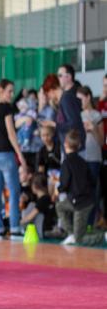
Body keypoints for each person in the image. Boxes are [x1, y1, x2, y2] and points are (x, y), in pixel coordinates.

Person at [0, 79, 27, 239]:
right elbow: (11, 134)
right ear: (1, 90)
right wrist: (21, 157)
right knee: (14, 191)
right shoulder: (6, 108)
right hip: (6, 155)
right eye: (9, 91)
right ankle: (15, 227)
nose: (11, 94)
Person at [55, 130, 106, 246]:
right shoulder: (84, 162)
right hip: (84, 200)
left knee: (80, 240)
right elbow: (92, 181)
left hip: (80, 204)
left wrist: (58, 191)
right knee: (60, 207)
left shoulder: (66, 163)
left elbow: (64, 183)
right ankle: (71, 234)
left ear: (65, 144)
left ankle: (103, 236)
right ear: (79, 146)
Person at [76, 86, 103, 226]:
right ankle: (80, 223)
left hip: (93, 157)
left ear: (88, 97)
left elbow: (101, 141)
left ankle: (91, 223)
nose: (79, 101)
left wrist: (93, 130)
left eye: (80, 98)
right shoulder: (77, 115)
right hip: (80, 157)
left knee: (92, 191)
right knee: (81, 190)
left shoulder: (97, 115)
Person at [43, 68, 85, 155]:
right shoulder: (64, 100)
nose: (49, 98)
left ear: (51, 90)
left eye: (48, 94)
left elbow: (73, 123)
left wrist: (54, 124)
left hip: (74, 150)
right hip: (70, 149)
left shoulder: (66, 99)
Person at [20, 173, 56, 239]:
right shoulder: (46, 198)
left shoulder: (43, 200)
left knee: (31, 205)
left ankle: (22, 230)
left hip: (42, 231)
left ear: (35, 186)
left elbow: (29, 217)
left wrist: (18, 224)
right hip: (46, 229)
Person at [36, 125, 61, 200]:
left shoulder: (59, 146)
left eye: (47, 135)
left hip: (61, 172)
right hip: (50, 175)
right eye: (43, 135)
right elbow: (41, 168)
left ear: (52, 134)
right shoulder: (42, 151)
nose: (45, 138)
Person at [97, 73, 107, 227]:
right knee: (103, 186)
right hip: (103, 148)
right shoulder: (100, 104)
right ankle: (103, 218)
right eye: (105, 85)